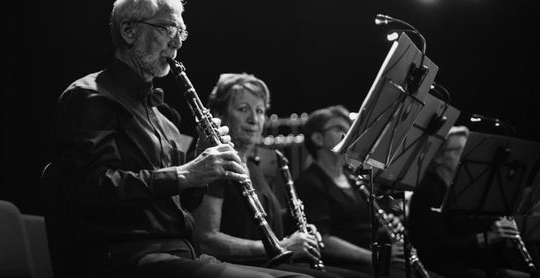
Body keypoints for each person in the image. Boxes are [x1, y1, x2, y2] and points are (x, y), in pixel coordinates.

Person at [45, 0, 313, 278]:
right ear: (129, 31)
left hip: (179, 253)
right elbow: (92, 188)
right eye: (168, 29)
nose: (177, 42)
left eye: (181, 32)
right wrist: (186, 173)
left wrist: (200, 165)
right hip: (126, 257)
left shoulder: (165, 117)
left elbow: (184, 202)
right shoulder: (89, 96)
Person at [191, 73, 370, 278]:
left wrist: (300, 232)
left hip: (264, 264)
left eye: (260, 111)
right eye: (243, 109)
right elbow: (205, 239)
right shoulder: (211, 162)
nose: (254, 119)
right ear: (219, 115)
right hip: (232, 268)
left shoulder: (254, 169)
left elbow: (258, 224)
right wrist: (283, 245)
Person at [295, 105, 433, 278]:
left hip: (371, 260)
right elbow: (323, 240)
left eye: (350, 129)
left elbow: (365, 227)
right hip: (347, 265)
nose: (349, 135)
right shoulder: (309, 182)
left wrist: (385, 229)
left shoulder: (353, 178)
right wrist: (374, 256)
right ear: (317, 138)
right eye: (339, 128)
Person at [408, 126, 531, 278]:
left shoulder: (468, 189)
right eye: (459, 151)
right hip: (441, 266)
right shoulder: (427, 190)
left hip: (469, 263)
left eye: (468, 151)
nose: (464, 156)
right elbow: (434, 248)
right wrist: (487, 237)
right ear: (438, 157)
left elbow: (472, 230)